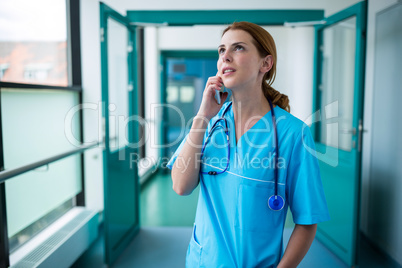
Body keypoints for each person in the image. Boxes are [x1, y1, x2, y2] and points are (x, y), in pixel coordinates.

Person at [167, 21, 330, 268]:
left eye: (238, 48)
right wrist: (202, 115)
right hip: (204, 261)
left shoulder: (293, 134)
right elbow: (180, 186)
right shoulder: (211, 123)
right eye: (221, 50)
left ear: (265, 63)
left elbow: (307, 221)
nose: (225, 57)